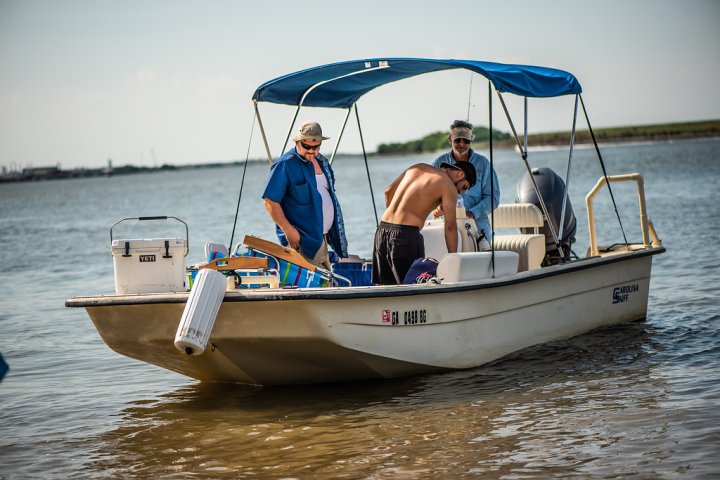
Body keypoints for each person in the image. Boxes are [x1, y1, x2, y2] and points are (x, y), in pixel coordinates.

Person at [372, 161, 477, 285]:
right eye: (464, 187)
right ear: (460, 174)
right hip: (405, 237)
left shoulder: (418, 167)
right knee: (413, 290)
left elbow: (388, 192)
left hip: (382, 231)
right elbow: (450, 227)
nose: (460, 192)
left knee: (385, 289)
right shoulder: (448, 186)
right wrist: (452, 260)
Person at [262, 121, 348, 270]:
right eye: (306, 146)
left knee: (327, 287)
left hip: (320, 240)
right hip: (301, 243)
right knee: (316, 290)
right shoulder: (285, 164)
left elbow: (326, 197)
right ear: (298, 142)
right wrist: (289, 231)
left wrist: (329, 230)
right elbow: (270, 201)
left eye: (316, 147)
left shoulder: (323, 162)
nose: (311, 150)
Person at [432, 120, 500, 244]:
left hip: (478, 229)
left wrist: (471, 213)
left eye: (466, 140)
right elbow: (431, 193)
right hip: (447, 228)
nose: (461, 144)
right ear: (450, 140)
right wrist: (436, 207)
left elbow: (493, 198)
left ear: (471, 141)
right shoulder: (439, 163)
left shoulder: (483, 163)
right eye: (457, 140)